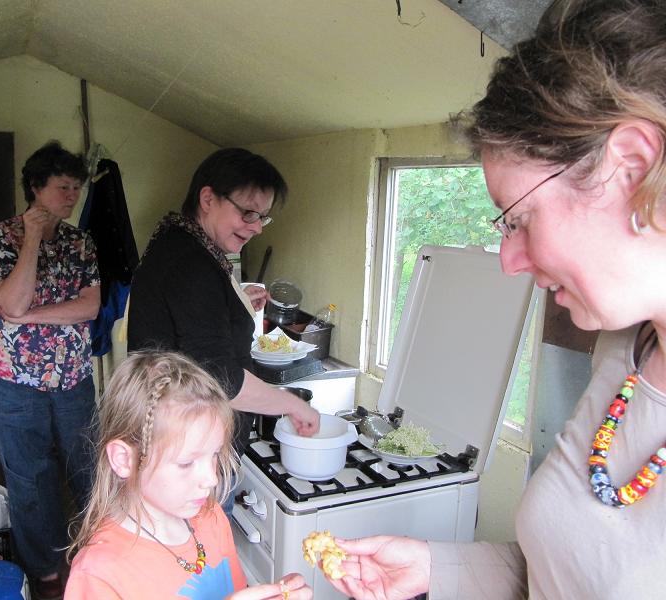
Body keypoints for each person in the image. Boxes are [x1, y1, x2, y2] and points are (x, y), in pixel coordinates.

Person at [324, 1, 666, 598]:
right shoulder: (623, 350)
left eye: (521, 219)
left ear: (631, 168)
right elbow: (569, 575)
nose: (508, 261)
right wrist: (439, 568)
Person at [65, 351, 312, 600]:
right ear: (124, 459)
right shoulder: (100, 575)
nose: (212, 479)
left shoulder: (211, 517)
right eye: (186, 463)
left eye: (214, 454)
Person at [126, 148, 320, 464]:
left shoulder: (179, 240)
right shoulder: (191, 264)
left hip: (179, 437)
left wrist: (234, 302)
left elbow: (186, 316)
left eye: (263, 216)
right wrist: (292, 404)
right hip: (189, 450)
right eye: (248, 213)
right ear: (208, 199)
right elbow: (220, 377)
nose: (257, 227)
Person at [0, 141, 100, 599]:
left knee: (87, 464)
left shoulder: (81, 241)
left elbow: (89, 307)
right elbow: (10, 298)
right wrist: (31, 239)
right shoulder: (0, 237)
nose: (71, 196)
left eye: (76, 187)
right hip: (12, 378)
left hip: (71, 375)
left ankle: (97, 549)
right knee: (30, 475)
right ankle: (44, 568)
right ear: (35, 187)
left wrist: (25, 316)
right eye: (62, 186)